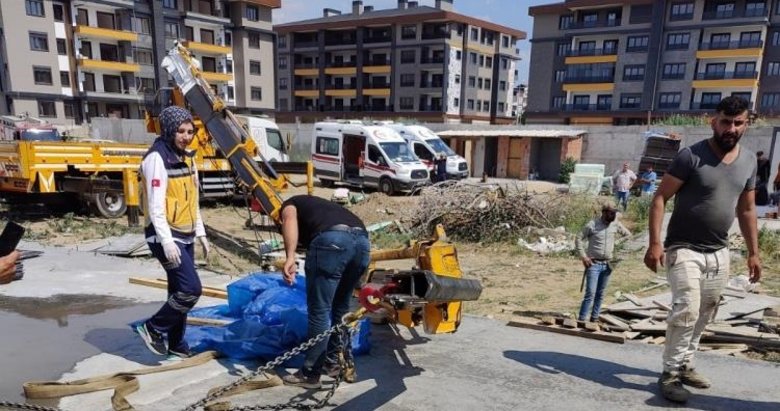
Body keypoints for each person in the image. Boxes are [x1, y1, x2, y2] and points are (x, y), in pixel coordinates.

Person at [644, 96, 761, 404]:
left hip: (719, 251)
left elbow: (747, 210)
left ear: (746, 124)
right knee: (686, 309)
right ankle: (669, 374)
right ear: (714, 121)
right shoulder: (690, 156)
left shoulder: (749, 161)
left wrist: (753, 252)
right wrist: (655, 243)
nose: (731, 128)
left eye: (738, 123)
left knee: (704, 314)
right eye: (725, 121)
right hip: (683, 248)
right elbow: (659, 199)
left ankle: (685, 364)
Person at [136, 106, 210, 359]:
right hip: (164, 235)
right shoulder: (156, 159)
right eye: (180, 131)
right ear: (169, 130)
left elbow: (193, 200)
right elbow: (156, 207)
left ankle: (176, 343)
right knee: (191, 289)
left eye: (190, 131)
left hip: (185, 232)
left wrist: (200, 233)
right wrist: (167, 242)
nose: (186, 136)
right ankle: (152, 327)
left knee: (177, 290)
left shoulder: (188, 157)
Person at [280, 195, 370, 389]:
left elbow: (288, 219)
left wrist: (290, 257)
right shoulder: (326, 208)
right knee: (341, 308)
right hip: (362, 244)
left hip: (332, 241)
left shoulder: (290, 203)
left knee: (320, 310)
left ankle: (310, 374)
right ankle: (334, 363)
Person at [575, 202, 630, 323]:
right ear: (604, 212)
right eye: (611, 213)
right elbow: (578, 238)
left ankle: (594, 318)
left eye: (615, 213)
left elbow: (628, 235)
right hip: (593, 264)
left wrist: (615, 244)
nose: (613, 215)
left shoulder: (615, 224)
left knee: (600, 294)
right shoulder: (593, 224)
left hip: (608, 265)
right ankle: (582, 320)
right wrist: (584, 257)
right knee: (590, 293)